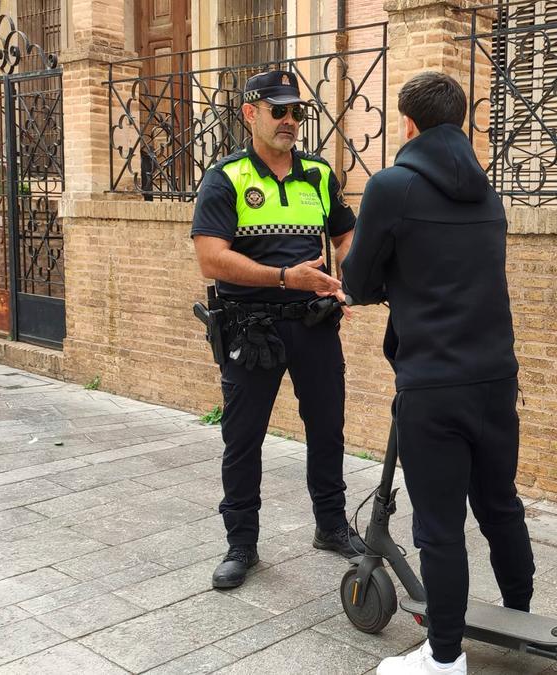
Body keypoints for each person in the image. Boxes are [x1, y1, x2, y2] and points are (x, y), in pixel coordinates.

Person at [342, 71, 536, 675]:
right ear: (460, 122)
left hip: (432, 383)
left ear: (407, 123)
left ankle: (445, 660)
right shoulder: (489, 195)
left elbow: (358, 281)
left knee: (439, 526)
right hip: (496, 377)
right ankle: (519, 620)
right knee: (500, 504)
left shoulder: (392, 188)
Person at [191, 70, 364, 590]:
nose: (290, 121)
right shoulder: (227, 178)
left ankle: (331, 526)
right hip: (252, 330)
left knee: (327, 428)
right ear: (250, 114)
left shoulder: (318, 174)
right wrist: (285, 277)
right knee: (242, 439)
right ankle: (241, 543)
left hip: (314, 325)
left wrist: (342, 280)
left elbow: (346, 234)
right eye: (278, 110)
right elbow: (210, 259)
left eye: (297, 113)